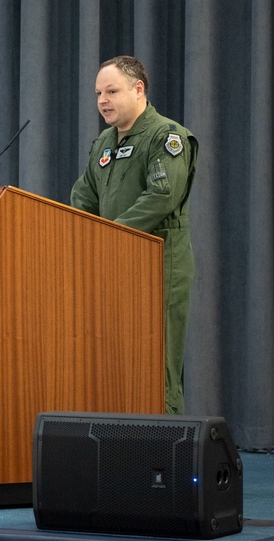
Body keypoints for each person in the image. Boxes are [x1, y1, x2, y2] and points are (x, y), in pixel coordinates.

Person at [70, 55, 197, 415]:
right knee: (116, 364)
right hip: (114, 263)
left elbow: (162, 195)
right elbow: (82, 199)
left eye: (111, 91)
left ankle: (167, 457)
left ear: (138, 89)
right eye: (98, 93)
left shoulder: (165, 136)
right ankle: (123, 453)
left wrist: (111, 234)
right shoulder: (103, 144)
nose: (102, 101)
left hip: (160, 263)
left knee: (157, 366)